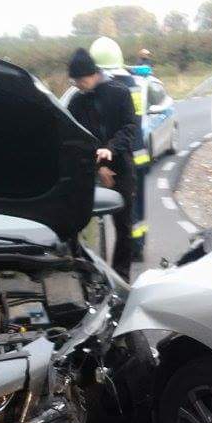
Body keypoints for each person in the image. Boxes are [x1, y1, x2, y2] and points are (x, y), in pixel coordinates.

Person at [66, 48, 139, 280]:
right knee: (81, 224)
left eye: (80, 80)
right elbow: (76, 137)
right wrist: (99, 167)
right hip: (91, 169)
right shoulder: (77, 102)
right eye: (74, 81)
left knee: (124, 227)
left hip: (122, 167)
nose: (77, 85)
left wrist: (110, 150)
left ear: (92, 74)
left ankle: (121, 277)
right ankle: (88, 274)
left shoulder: (119, 93)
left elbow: (129, 128)